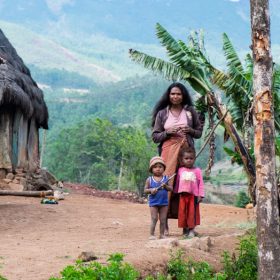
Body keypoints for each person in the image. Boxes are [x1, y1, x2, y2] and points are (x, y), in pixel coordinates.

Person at [151, 82, 204, 234]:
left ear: (183, 96)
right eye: (173, 93)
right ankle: (164, 225)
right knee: (166, 186)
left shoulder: (190, 112)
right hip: (167, 153)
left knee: (187, 186)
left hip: (185, 153)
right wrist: (168, 132)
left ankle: (188, 226)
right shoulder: (162, 113)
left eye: (178, 94)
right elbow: (155, 136)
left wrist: (190, 130)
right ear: (169, 95)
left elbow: (199, 132)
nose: (175, 96)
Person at [175, 147, 204, 238]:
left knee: (192, 213)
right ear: (182, 160)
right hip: (183, 196)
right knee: (183, 213)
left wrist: (200, 195)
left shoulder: (197, 171)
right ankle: (185, 230)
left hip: (193, 196)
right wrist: (176, 192)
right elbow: (178, 182)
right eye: (186, 158)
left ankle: (191, 230)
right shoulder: (180, 170)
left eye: (191, 158)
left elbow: (201, 184)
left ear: (194, 159)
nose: (189, 160)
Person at [144, 156, 173, 240]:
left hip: (164, 202)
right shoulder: (149, 179)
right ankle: (152, 235)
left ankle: (162, 234)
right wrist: (151, 190)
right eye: (155, 167)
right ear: (151, 169)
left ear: (163, 168)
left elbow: (171, 189)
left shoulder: (166, 179)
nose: (158, 169)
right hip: (153, 203)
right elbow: (145, 190)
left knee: (163, 219)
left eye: (160, 167)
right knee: (154, 218)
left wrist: (166, 186)